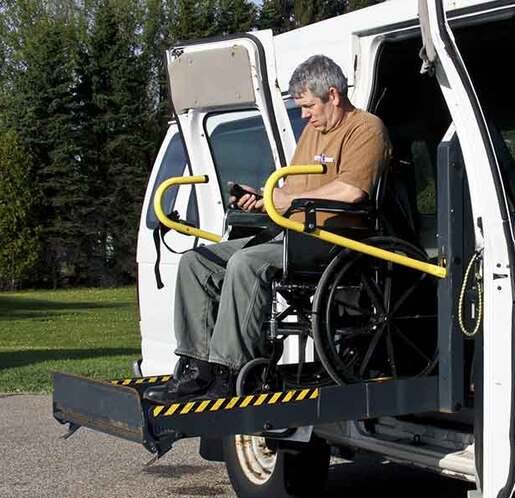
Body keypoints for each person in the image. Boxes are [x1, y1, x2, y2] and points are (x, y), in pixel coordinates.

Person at [144, 55, 391, 404]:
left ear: (333, 95)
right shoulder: (312, 132)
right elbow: (291, 189)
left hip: (333, 238)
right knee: (196, 263)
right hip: (293, 231)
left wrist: (288, 200)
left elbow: (350, 192)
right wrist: (264, 198)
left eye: (308, 106)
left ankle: (230, 370)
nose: (304, 115)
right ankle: (198, 367)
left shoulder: (365, 129)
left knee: (246, 264)